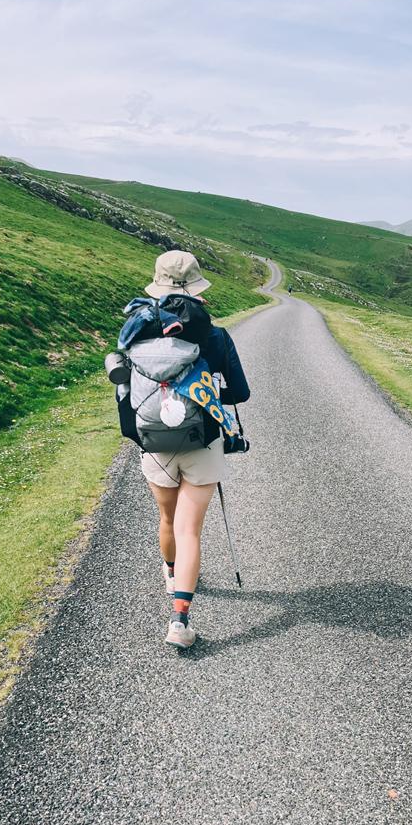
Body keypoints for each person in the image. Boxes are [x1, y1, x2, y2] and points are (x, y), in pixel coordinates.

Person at [141, 251, 250, 649]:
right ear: (198, 288)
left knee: (167, 519)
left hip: (153, 441)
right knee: (190, 529)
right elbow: (240, 392)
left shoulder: (138, 331)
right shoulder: (216, 335)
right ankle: (179, 621)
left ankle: (172, 573)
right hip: (202, 441)